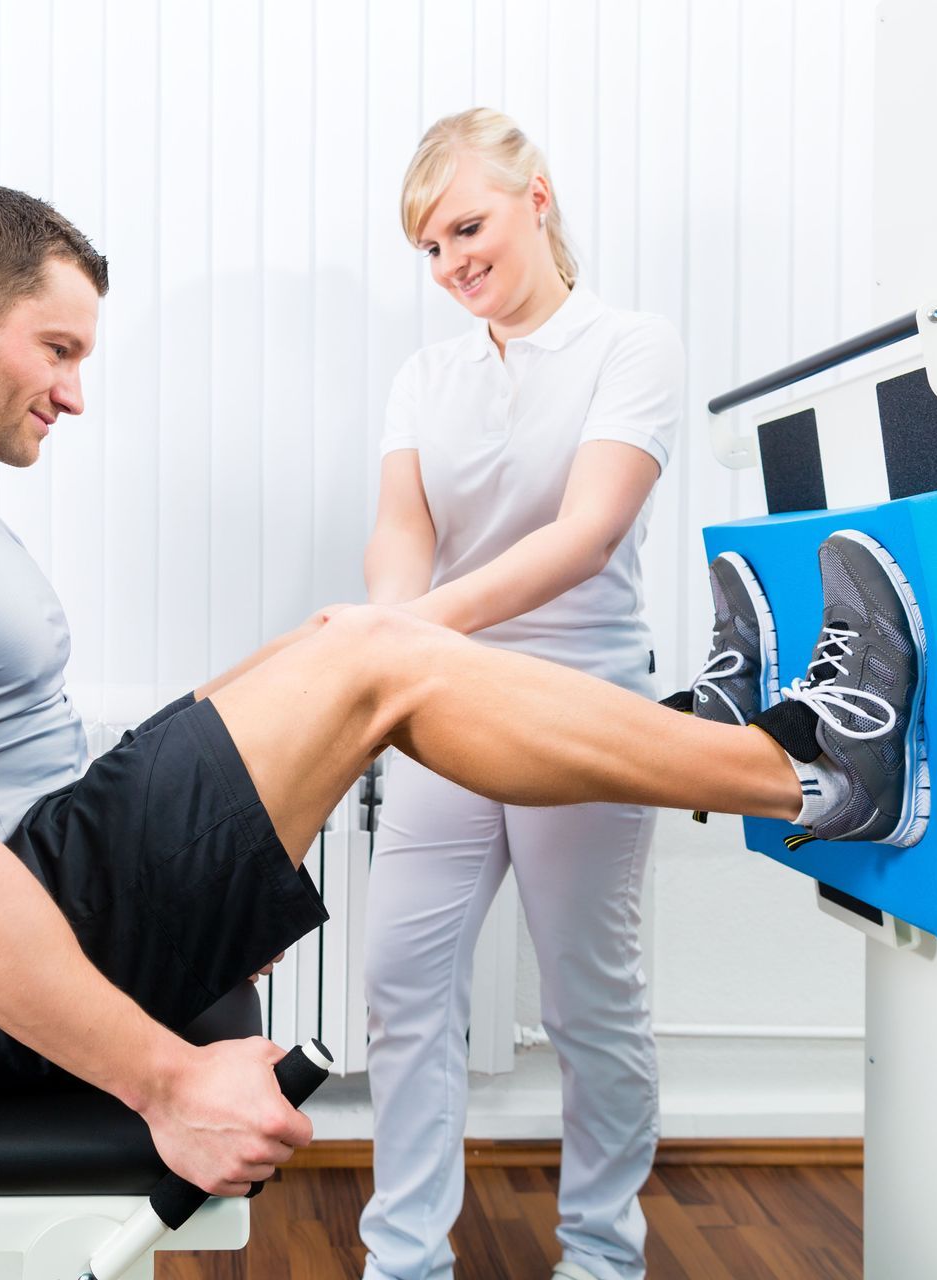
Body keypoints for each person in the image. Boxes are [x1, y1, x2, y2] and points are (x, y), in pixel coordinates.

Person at [0, 183, 928, 1201]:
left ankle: (734, 739)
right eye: (59, 349)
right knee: (377, 662)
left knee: (351, 635)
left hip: (52, 872)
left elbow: (21, 768)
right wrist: (167, 1080)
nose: (75, 392)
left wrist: (305, 657)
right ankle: (808, 771)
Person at [357, 107, 679, 1280]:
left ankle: (601, 1253)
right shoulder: (426, 374)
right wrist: (397, 643)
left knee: (589, 1002)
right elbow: (403, 535)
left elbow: (589, 533)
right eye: (431, 248)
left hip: (581, 705)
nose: (451, 264)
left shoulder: (628, 346)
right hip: (444, 712)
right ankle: (406, 1259)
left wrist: (406, 633)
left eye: (468, 227)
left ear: (538, 198)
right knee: (402, 987)